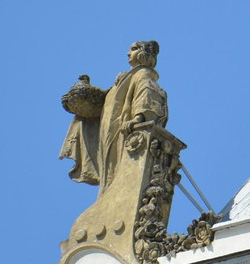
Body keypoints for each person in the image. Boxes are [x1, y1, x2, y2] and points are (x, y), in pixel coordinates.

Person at [59, 41, 169, 195]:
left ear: (145, 54)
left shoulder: (142, 74)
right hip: (108, 129)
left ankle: (111, 191)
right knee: (108, 165)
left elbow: (148, 94)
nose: (128, 53)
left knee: (115, 164)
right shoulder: (126, 77)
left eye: (134, 49)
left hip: (122, 130)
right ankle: (107, 191)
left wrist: (138, 118)